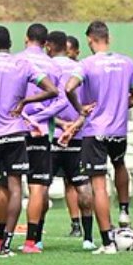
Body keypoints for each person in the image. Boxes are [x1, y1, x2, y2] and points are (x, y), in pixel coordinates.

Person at [0, 26, 58, 257]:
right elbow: (52, 90)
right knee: (15, 186)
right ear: (10, 42)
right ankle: (6, 245)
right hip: (16, 133)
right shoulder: (23, 65)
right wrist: (26, 100)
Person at [61, 21, 133, 255]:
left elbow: (68, 87)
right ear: (108, 38)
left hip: (96, 132)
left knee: (98, 186)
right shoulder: (127, 63)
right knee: (119, 163)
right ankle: (124, 210)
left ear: (90, 40)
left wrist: (81, 108)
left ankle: (107, 242)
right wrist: (118, 105)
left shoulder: (86, 64)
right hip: (119, 130)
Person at [13, 24, 70, 253]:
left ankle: (0, 239)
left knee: (11, 184)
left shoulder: (15, 62)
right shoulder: (54, 66)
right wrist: (40, 116)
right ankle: (31, 241)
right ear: (46, 43)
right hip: (41, 131)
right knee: (37, 186)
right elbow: (62, 100)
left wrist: (26, 115)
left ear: (26, 38)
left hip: (15, 128)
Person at [47, 31, 86, 245]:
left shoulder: (49, 67)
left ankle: (37, 235)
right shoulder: (82, 69)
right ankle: (83, 229)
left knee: (45, 183)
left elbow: (42, 103)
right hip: (76, 129)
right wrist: (75, 123)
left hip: (59, 131)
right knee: (75, 182)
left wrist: (63, 125)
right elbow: (90, 104)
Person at [65, 34, 96, 248]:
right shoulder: (80, 72)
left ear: (76, 52)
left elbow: (88, 105)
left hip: (77, 134)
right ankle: (76, 224)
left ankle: (86, 233)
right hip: (59, 135)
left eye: (70, 52)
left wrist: (76, 122)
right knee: (66, 183)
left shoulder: (84, 72)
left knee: (81, 183)